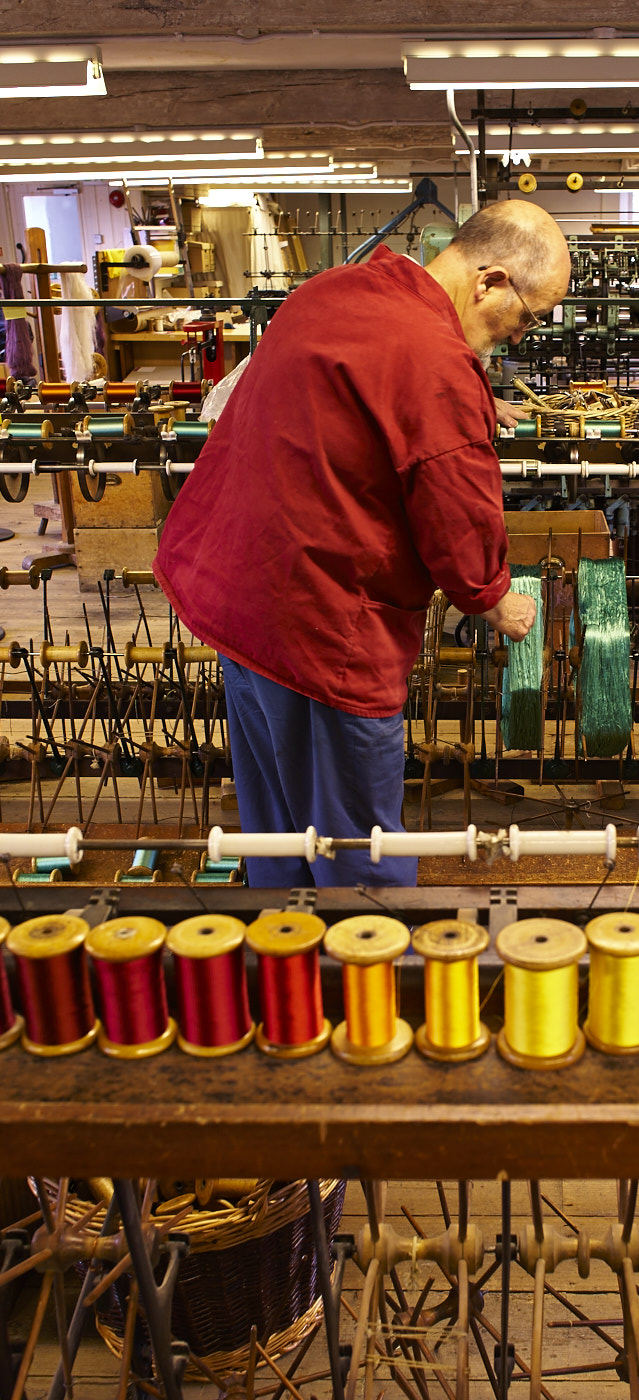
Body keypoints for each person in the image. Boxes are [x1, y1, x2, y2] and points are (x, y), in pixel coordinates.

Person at [153, 199, 571, 888]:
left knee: (280, 834)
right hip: (320, 633)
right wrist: (494, 601)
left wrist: (468, 402)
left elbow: (356, 386)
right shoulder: (437, 363)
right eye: (526, 316)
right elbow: (460, 522)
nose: (520, 336)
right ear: (489, 281)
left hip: (238, 604)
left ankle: (287, 975)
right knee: (360, 856)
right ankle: (366, 983)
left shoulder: (335, 290)